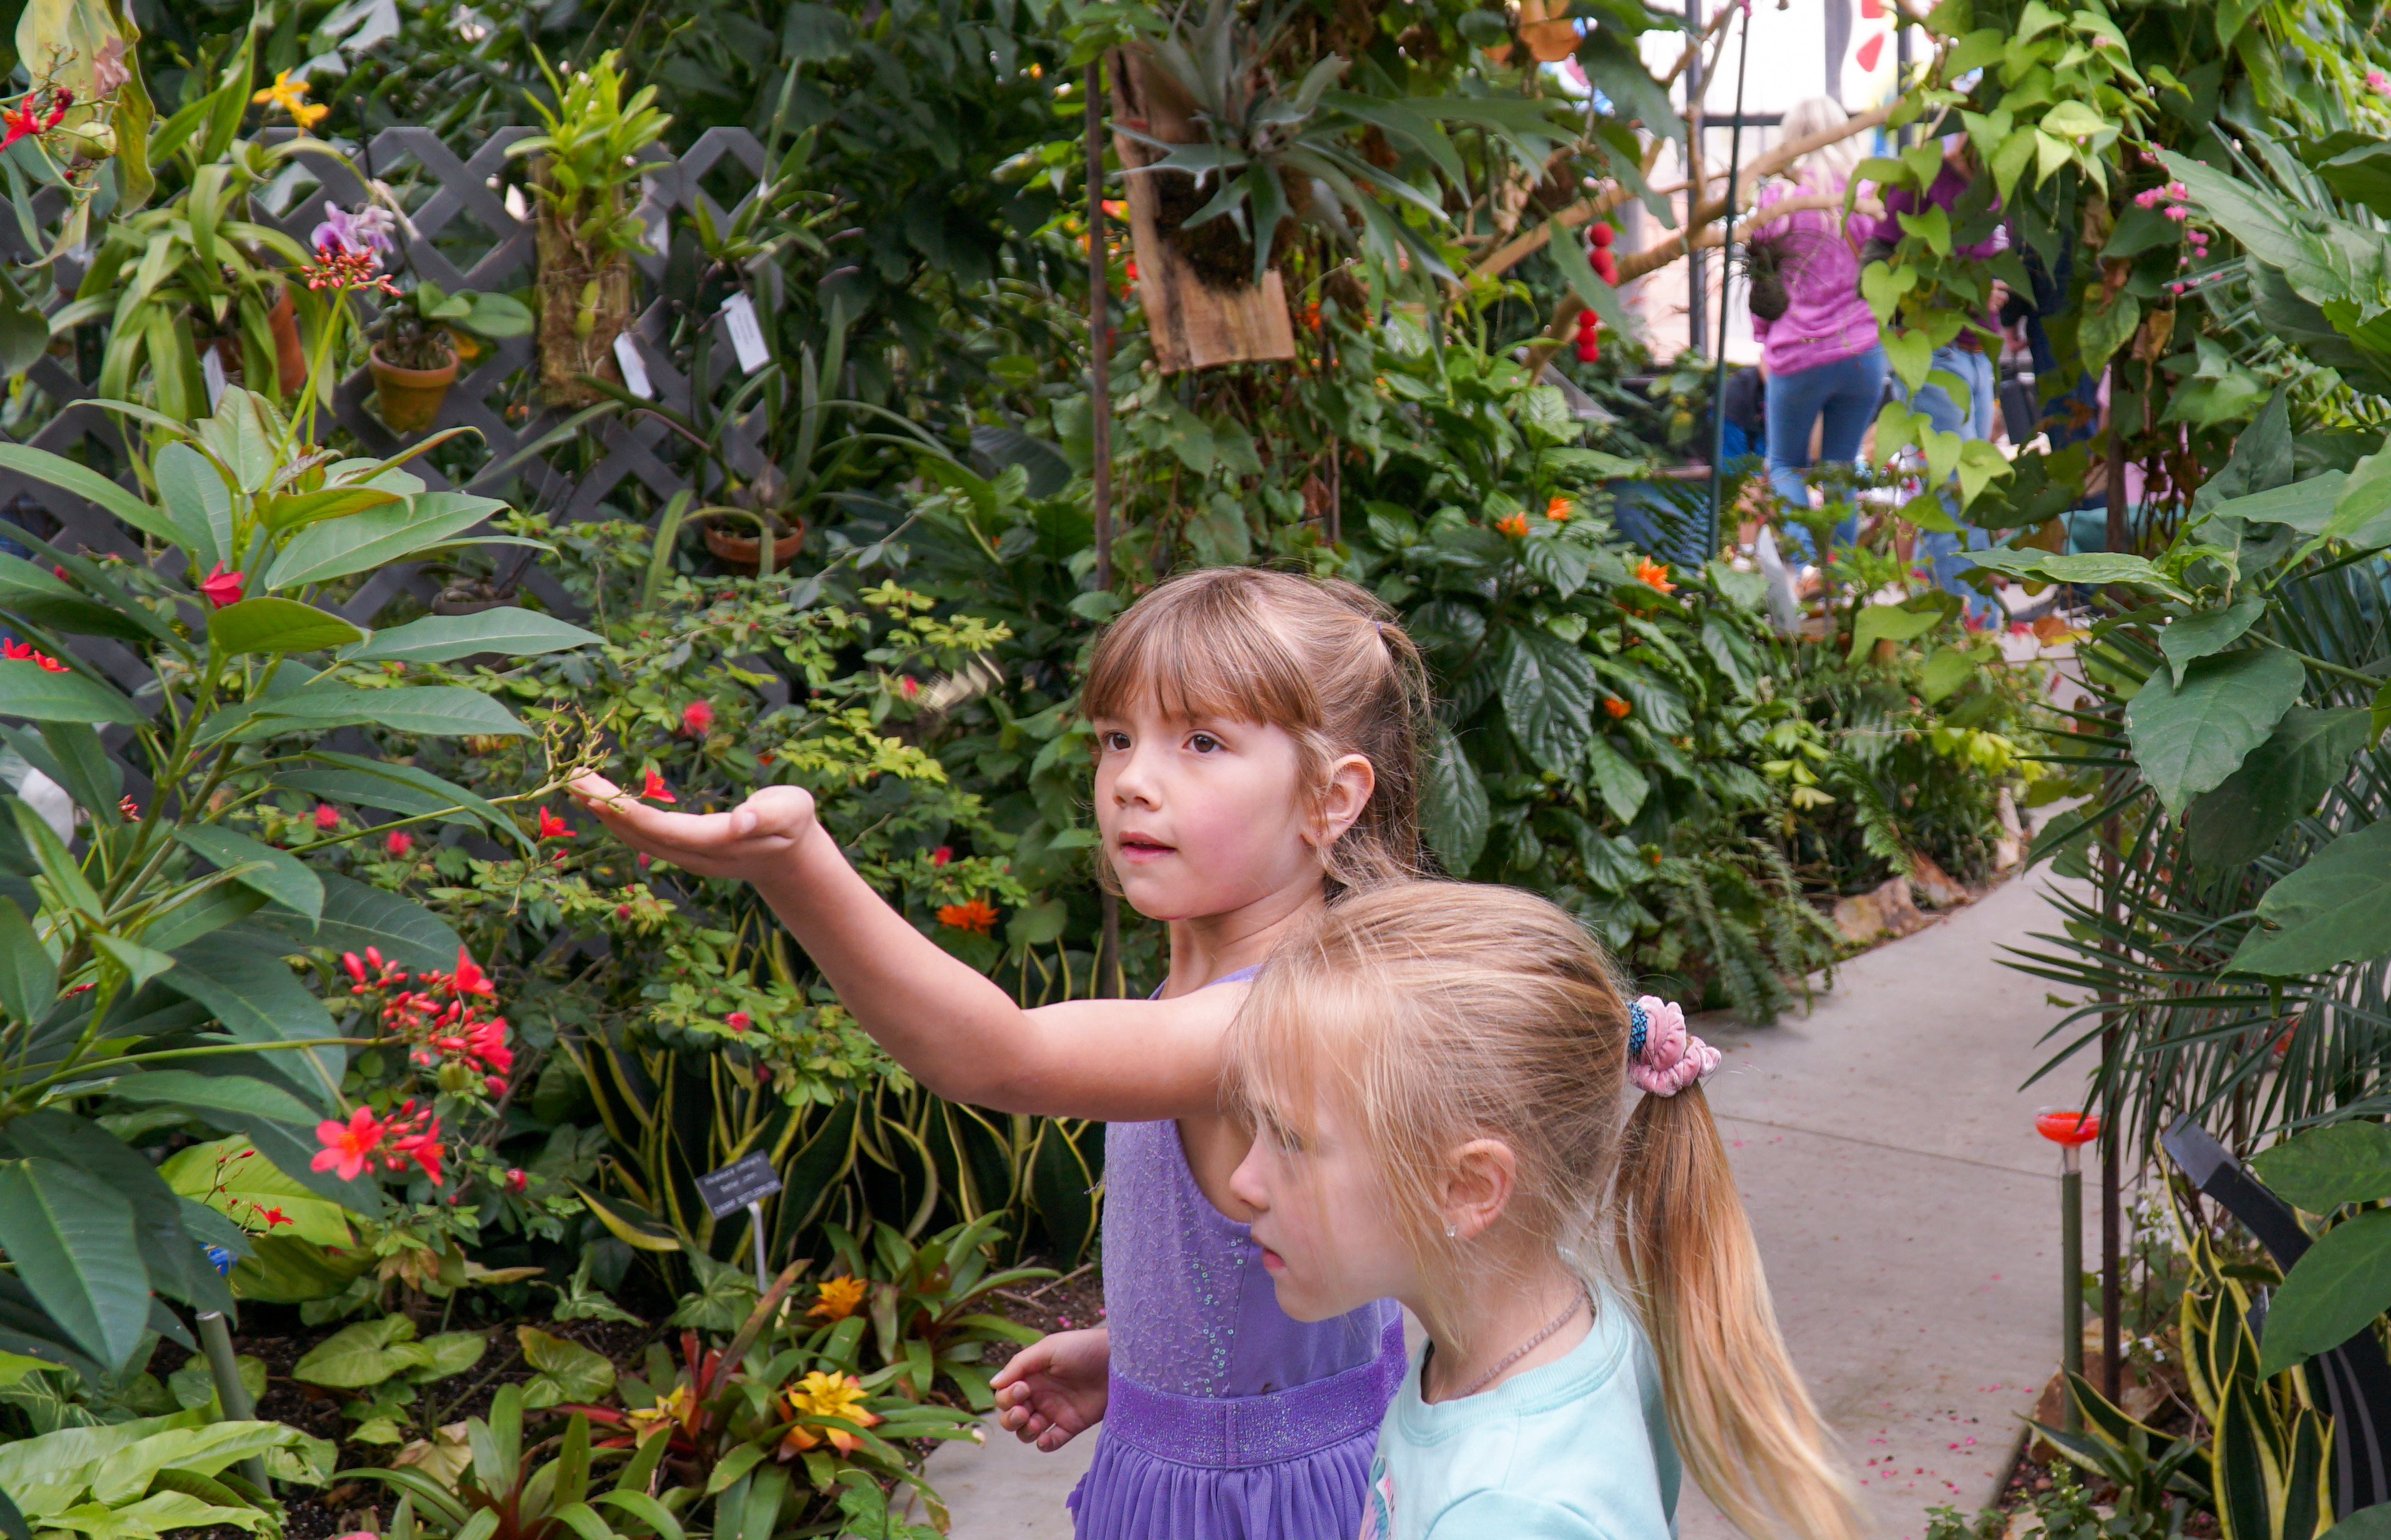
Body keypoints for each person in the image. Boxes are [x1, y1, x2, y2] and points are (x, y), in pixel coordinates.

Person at [576, 568, 1429, 1540]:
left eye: (1201, 741)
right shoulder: (1250, 991)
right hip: (1223, 1462)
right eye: (1116, 737)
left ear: (1331, 797)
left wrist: (793, 864)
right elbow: (1317, 1292)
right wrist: (1150, 1361)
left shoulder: (1265, 1024)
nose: (1132, 780)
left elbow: (1002, 1056)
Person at [1227, 882, 1863, 1540]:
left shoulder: (1509, 1511)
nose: (1244, 1179)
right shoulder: (1568, 1327)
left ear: (1469, 1188)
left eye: (1291, 1139)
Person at [1862, 130, 2010, 628]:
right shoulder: (1927, 182)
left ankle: (1944, 618)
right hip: (1932, 353)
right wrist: (1964, 295)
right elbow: (1877, 261)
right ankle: (1976, 629)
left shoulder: (1999, 181)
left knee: (1968, 490)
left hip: (1977, 355)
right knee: (1951, 493)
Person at [1751, 95, 1884, 597]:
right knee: (1839, 467)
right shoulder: (1867, 193)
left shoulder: (1778, 199)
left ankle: (1807, 572)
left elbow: (1761, 287)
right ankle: (1845, 581)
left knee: (1785, 464)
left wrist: (1765, 341)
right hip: (1862, 353)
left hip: (1797, 353)